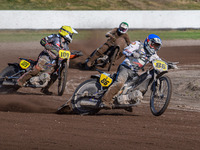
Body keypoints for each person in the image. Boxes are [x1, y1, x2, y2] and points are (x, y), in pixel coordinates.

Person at [101, 34, 163, 109]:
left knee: (138, 87)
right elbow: (125, 50)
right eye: (154, 45)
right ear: (148, 42)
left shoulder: (153, 54)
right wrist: (132, 53)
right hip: (126, 67)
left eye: (157, 46)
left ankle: (127, 102)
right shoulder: (138, 45)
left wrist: (168, 65)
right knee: (120, 83)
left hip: (134, 72)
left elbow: (159, 61)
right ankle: (105, 100)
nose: (154, 47)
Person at [17, 25, 78, 95]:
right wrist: (47, 46)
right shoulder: (55, 37)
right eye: (71, 34)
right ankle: (20, 81)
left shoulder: (66, 44)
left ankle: (45, 89)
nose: (71, 36)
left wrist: (75, 54)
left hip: (54, 62)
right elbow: (42, 41)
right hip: (45, 57)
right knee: (36, 69)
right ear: (66, 33)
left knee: (55, 75)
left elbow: (66, 53)